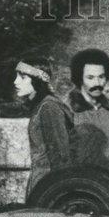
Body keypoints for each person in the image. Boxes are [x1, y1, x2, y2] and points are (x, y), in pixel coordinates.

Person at [15, 57, 73, 197]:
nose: (15, 81)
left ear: (37, 80)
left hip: (48, 187)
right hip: (42, 183)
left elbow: (61, 156)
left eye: (22, 77)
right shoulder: (42, 106)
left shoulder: (49, 107)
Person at [67, 48, 109, 174]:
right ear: (80, 78)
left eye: (101, 77)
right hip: (79, 181)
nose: (97, 83)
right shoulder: (68, 110)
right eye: (90, 77)